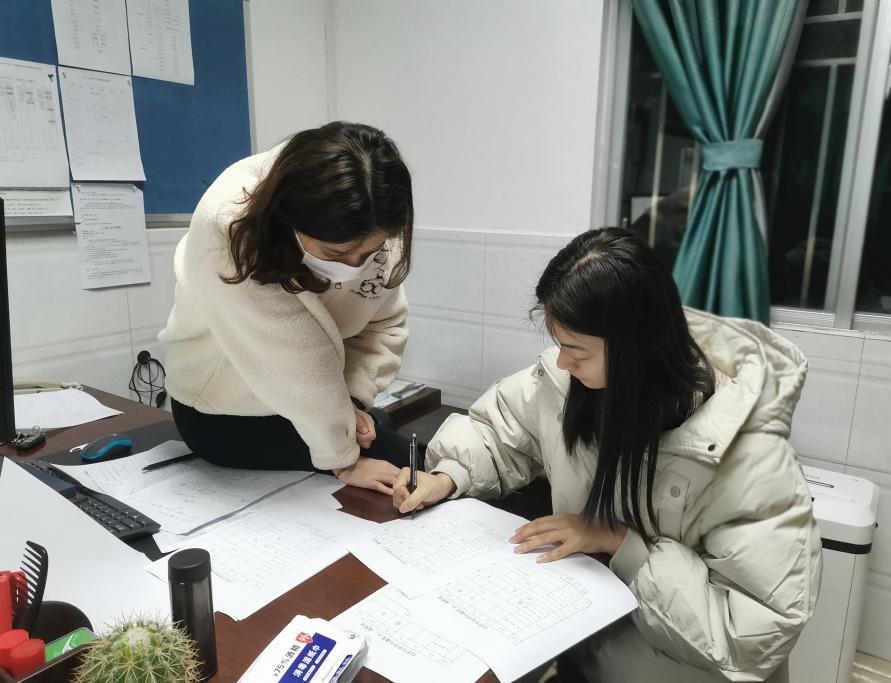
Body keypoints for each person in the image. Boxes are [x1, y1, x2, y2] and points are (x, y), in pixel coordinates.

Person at [393, 228, 821, 681]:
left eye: (575, 349)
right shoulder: (574, 383)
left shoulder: (750, 457)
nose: (562, 362)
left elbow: (750, 637)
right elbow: (500, 428)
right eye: (560, 345)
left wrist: (622, 543)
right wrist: (447, 475)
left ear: (636, 350)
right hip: (584, 650)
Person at [159, 121, 414, 494]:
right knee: (404, 465)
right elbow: (297, 360)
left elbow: (385, 324)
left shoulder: (377, 218)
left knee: (396, 448)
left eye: (370, 251)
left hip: (320, 400)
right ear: (289, 219)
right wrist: (344, 458)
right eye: (337, 253)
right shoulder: (228, 224)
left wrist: (354, 400)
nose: (356, 266)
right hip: (222, 411)